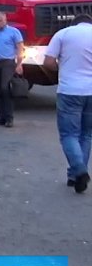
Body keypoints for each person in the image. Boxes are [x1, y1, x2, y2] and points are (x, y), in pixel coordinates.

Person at [42, 14, 92, 193]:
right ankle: (75, 176)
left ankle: (79, 171)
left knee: (69, 134)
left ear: (74, 23)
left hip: (69, 90)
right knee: (86, 135)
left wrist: (61, 67)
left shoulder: (63, 34)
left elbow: (48, 62)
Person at [0, 12, 24, 127]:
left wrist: (19, 64)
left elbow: (20, 48)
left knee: (5, 88)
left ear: (5, 21)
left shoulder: (13, 31)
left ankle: (9, 117)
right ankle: (2, 117)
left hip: (7, 62)